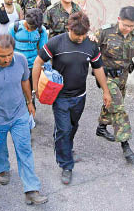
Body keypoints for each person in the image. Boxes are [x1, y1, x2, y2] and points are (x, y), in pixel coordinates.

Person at [32, 12, 111, 185]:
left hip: (80, 96)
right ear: (69, 28)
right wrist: (35, 87)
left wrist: (105, 91)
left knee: (73, 126)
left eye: (84, 34)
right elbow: (38, 62)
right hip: (60, 97)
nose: (81, 38)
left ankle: (66, 147)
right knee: (64, 129)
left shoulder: (90, 44)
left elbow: (98, 68)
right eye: (78, 34)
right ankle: (66, 164)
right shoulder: (56, 43)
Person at [0, 35, 48, 205]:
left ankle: (31, 190)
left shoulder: (20, 60)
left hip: (19, 114)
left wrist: (30, 102)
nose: (7, 59)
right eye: (2, 56)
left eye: (10, 54)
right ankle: (2, 168)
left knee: (25, 150)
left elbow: (24, 81)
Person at [91, 6, 134, 164]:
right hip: (106, 77)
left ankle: (101, 127)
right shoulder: (105, 32)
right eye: (126, 25)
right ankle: (125, 145)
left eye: (132, 26)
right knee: (119, 108)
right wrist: (91, 39)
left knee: (112, 104)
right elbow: (89, 48)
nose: (128, 29)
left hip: (123, 77)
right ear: (119, 19)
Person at [10, 8, 48, 108]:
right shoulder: (15, 27)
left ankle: (30, 113)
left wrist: (44, 67)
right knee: (16, 91)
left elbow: (43, 51)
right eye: (30, 27)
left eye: (35, 28)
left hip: (33, 66)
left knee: (30, 91)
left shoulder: (41, 30)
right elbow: (8, 47)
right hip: (16, 65)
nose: (32, 30)